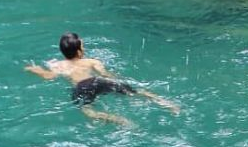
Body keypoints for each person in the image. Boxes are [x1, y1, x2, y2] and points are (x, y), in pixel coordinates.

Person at [25, 31, 180, 124]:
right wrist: (117, 80)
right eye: (83, 46)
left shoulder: (58, 65)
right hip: (97, 81)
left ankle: (118, 120)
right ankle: (165, 103)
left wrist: (36, 70)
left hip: (81, 87)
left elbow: (49, 77)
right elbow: (105, 74)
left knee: (88, 111)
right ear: (79, 52)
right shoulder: (91, 61)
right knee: (136, 91)